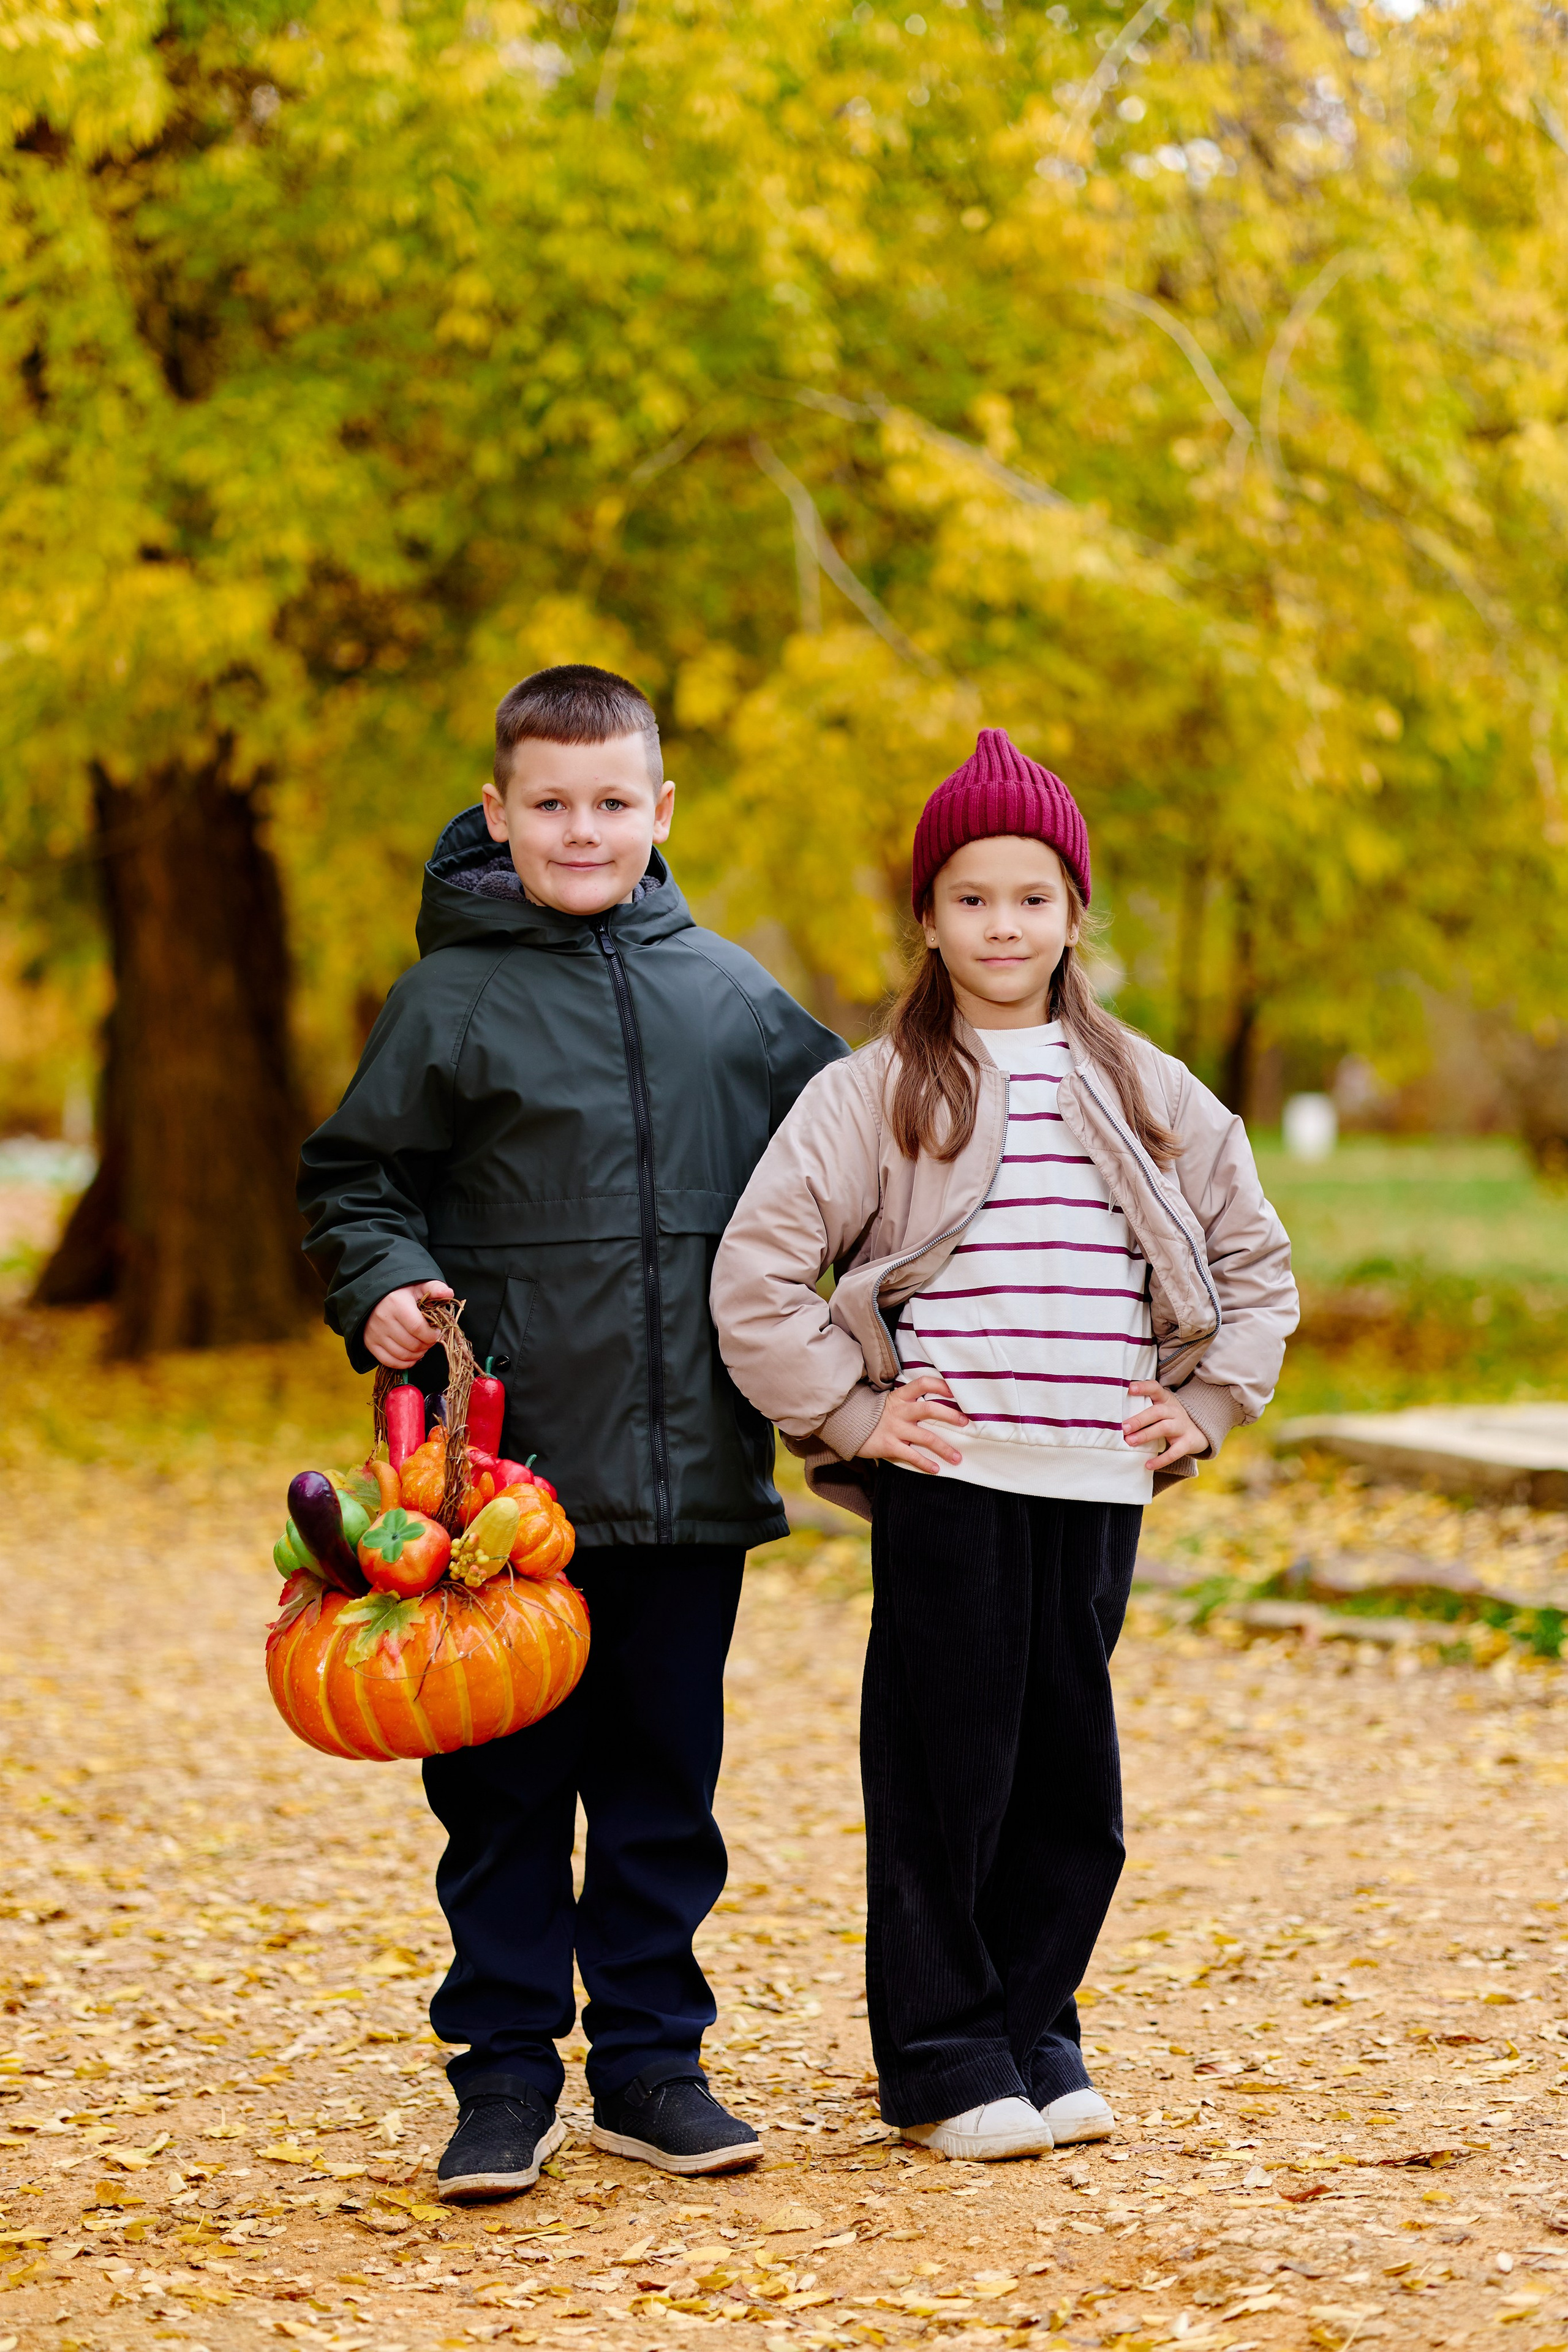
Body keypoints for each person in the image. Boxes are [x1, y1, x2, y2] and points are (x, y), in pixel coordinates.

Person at [710, 728, 1297, 2163]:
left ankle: (1035, 2028)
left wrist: (1206, 1401)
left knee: (1066, 1786)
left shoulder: (1150, 1090)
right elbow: (756, 1278)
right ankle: (939, 2059)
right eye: (970, 897)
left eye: (1030, 896)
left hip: (1094, 1478)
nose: (1001, 925)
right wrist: (852, 1417)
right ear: (927, 915)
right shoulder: (875, 1092)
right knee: (941, 1775)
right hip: (953, 1483)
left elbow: (1253, 1264)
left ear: (1073, 910)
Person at [298, 664, 846, 2198]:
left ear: (660, 814)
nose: (582, 829)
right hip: (498, 1496)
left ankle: (653, 2066)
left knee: (665, 1784)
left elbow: (859, 1159)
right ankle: (503, 2074)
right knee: (502, 1795)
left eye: (613, 804)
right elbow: (356, 1181)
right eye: (550, 804)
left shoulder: (732, 1000)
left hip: (690, 1479)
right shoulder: (446, 1002)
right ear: (498, 813)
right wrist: (387, 1284)